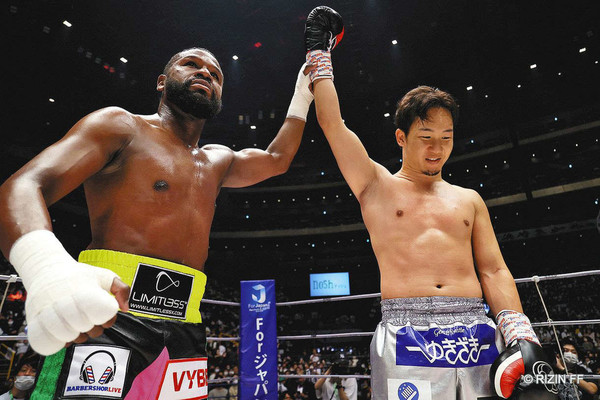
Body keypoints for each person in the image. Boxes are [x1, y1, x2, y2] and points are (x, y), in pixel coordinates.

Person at [0, 47, 314, 398]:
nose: (205, 73)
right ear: (162, 82)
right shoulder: (120, 126)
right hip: (112, 310)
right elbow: (22, 185)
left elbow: (276, 158)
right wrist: (45, 268)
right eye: (191, 64)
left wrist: (303, 93)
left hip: (187, 320)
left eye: (215, 74)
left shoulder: (218, 160)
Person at [303, 6, 558, 399]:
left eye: (446, 138)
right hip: (407, 333)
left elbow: (493, 270)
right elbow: (332, 124)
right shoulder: (376, 186)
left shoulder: (469, 200)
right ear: (401, 138)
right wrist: (319, 55)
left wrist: (520, 332)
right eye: (426, 137)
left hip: (476, 333)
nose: (437, 148)